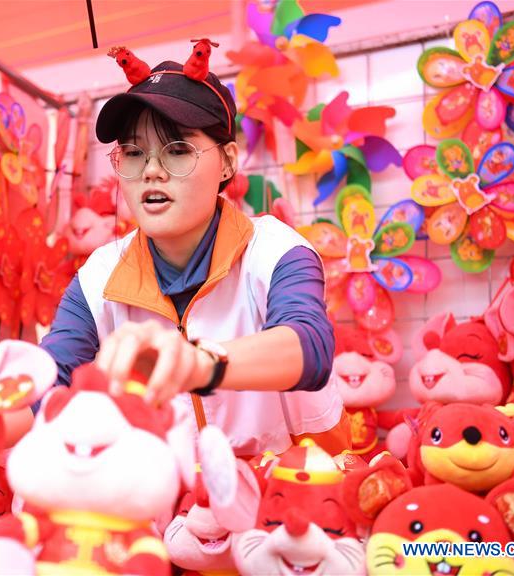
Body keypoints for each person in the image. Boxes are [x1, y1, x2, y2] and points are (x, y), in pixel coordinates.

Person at [39, 58, 349, 456]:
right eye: (133, 152)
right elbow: (50, 381)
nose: (151, 170)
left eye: (178, 149)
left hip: (294, 494)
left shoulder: (274, 249)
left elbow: (310, 346)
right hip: (171, 505)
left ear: (228, 161)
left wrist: (198, 363)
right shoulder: (99, 275)